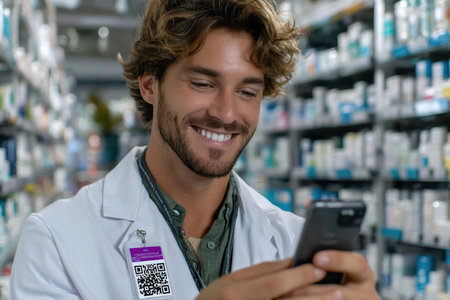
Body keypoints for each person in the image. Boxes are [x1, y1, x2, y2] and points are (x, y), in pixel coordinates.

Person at [10, 0, 378, 299]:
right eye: (203, 83)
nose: (227, 113)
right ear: (150, 85)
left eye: (248, 92)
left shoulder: (293, 244)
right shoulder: (57, 240)